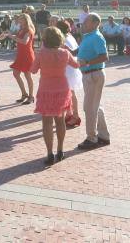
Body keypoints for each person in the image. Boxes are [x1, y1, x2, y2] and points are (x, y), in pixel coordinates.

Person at [31, 26, 80, 165]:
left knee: (47, 123)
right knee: (60, 121)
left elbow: (33, 70)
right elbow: (76, 65)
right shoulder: (65, 53)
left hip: (46, 90)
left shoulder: (41, 53)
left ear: (45, 39)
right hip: (62, 90)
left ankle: (49, 153)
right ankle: (60, 150)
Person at [76, 13, 111, 150]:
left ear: (95, 23)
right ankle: (103, 135)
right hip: (90, 74)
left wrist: (88, 62)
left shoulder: (96, 37)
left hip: (93, 74)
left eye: (86, 21)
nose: (83, 23)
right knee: (96, 107)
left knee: (89, 108)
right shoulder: (88, 36)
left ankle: (92, 138)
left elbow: (104, 56)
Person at [56, 20, 82, 129]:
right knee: (69, 92)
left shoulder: (64, 39)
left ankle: (75, 115)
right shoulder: (70, 36)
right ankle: (70, 113)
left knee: (70, 92)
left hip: (68, 68)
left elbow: (70, 53)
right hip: (70, 67)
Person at [8, 13, 35, 104]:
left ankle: (31, 96)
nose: (19, 20)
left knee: (28, 76)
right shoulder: (21, 29)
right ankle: (24, 94)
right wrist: (9, 35)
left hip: (27, 55)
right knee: (16, 73)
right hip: (20, 55)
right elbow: (19, 37)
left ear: (25, 20)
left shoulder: (29, 30)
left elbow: (24, 41)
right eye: (19, 19)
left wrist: (13, 37)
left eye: (21, 19)